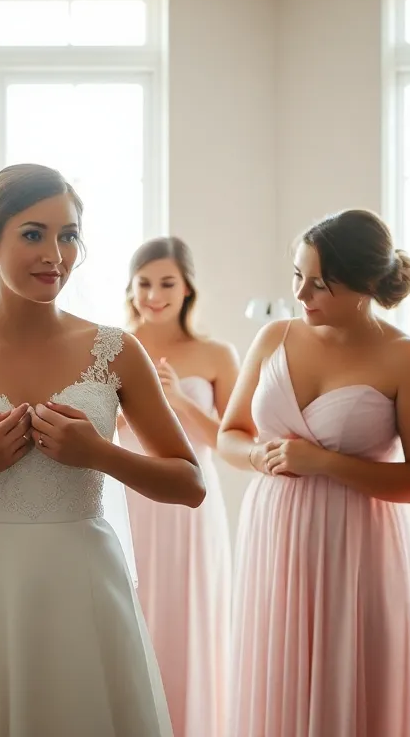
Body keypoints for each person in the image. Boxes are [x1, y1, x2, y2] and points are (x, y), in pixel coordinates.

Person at [0, 163, 205, 736]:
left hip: (83, 579)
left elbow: (190, 484)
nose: (56, 253)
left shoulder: (116, 351)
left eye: (68, 235)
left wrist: (100, 454)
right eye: (33, 234)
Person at [217, 210, 410, 737]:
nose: (301, 294)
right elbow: (229, 434)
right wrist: (258, 457)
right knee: (275, 677)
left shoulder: (407, 358)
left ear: (366, 284)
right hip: (274, 532)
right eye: (297, 275)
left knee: (352, 680)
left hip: (358, 541)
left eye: (319, 283)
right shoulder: (274, 337)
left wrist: (325, 463)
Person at [119, 235, 237, 737]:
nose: (154, 294)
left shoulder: (215, 354)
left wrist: (179, 402)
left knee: (188, 617)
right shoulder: (113, 346)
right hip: (128, 495)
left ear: (187, 288)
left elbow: (232, 441)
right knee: (132, 611)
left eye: (166, 283)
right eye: (144, 283)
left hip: (191, 502)